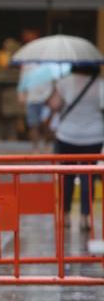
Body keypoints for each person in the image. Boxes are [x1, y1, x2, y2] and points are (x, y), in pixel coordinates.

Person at [46, 64, 104, 228]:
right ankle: (86, 218)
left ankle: (65, 217)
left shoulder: (64, 82)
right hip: (94, 136)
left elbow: (54, 105)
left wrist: (54, 87)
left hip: (67, 136)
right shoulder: (99, 83)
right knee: (88, 176)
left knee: (67, 176)